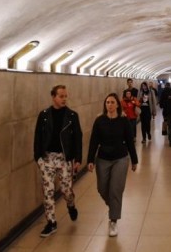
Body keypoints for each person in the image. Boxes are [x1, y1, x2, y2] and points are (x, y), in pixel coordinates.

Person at [33, 85, 83, 237]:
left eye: (65, 96)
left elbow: (77, 138)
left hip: (64, 158)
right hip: (47, 158)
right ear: (53, 97)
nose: (64, 99)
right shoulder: (44, 115)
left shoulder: (72, 116)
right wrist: (38, 157)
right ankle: (51, 223)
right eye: (61, 96)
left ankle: (71, 205)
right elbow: (37, 136)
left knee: (66, 190)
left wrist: (78, 158)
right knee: (48, 191)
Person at [87, 93, 139, 237]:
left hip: (120, 158)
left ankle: (113, 220)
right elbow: (93, 141)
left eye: (112, 102)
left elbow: (129, 141)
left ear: (117, 105)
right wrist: (90, 160)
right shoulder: (99, 121)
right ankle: (114, 206)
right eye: (107, 102)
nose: (109, 105)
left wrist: (134, 160)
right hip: (103, 158)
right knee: (102, 188)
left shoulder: (123, 121)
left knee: (116, 189)